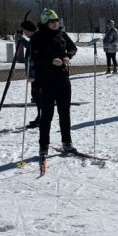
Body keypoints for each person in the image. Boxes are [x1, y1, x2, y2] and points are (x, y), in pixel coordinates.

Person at [30, 9, 77, 158]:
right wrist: (51, 61)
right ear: (45, 23)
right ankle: (43, 145)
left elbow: (73, 48)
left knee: (64, 113)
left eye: (57, 21)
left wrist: (67, 56)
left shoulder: (62, 34)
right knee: (47, 114)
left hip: (63, 79)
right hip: (46, 79)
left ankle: (67, 142)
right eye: (52, 22)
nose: (55, 24)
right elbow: (34, 59)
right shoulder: (38, 37)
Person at [19, 20, 41, 128]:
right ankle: (39, 117)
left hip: (37, 74)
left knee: (38, 96)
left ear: (28, 30)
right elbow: (30, 47)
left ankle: (41, 118)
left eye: (24, 30)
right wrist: (23, 41)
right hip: (34, 74)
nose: (24, 32)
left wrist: (32, 74)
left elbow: (35, 57)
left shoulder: (37, 39)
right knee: (36, 96)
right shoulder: (34, 39)